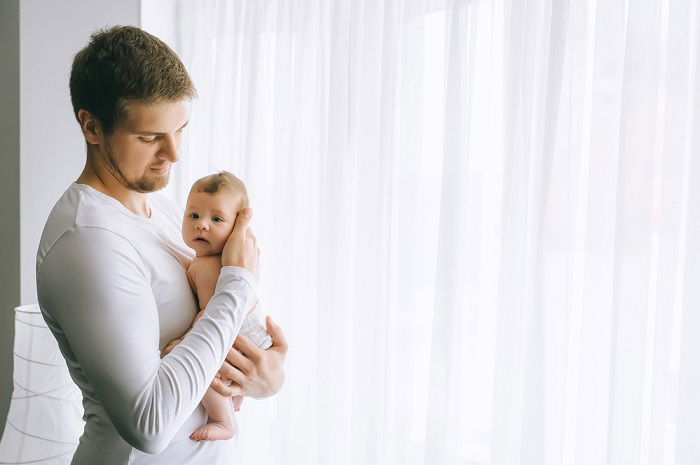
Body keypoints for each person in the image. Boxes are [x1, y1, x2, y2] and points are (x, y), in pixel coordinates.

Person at [35, 26, 287, 465]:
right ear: (91, 126)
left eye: (180, 130)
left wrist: (265, 378)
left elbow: (219, 345)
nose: (173, 154)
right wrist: (238, 284)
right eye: (150, 138)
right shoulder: (88, 242)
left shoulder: (169, 212)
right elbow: (149, 425)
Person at [166, 171, 273, 442]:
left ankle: (223, 420)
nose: (202, 224)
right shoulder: (202, 261)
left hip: (244, 333)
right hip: (249, 332)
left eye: (216, 219)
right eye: (193, 215)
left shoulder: (214, 267)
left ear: (238, 227)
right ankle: (235, 399)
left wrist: (185, 338)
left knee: (202, 365)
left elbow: (216, 315)